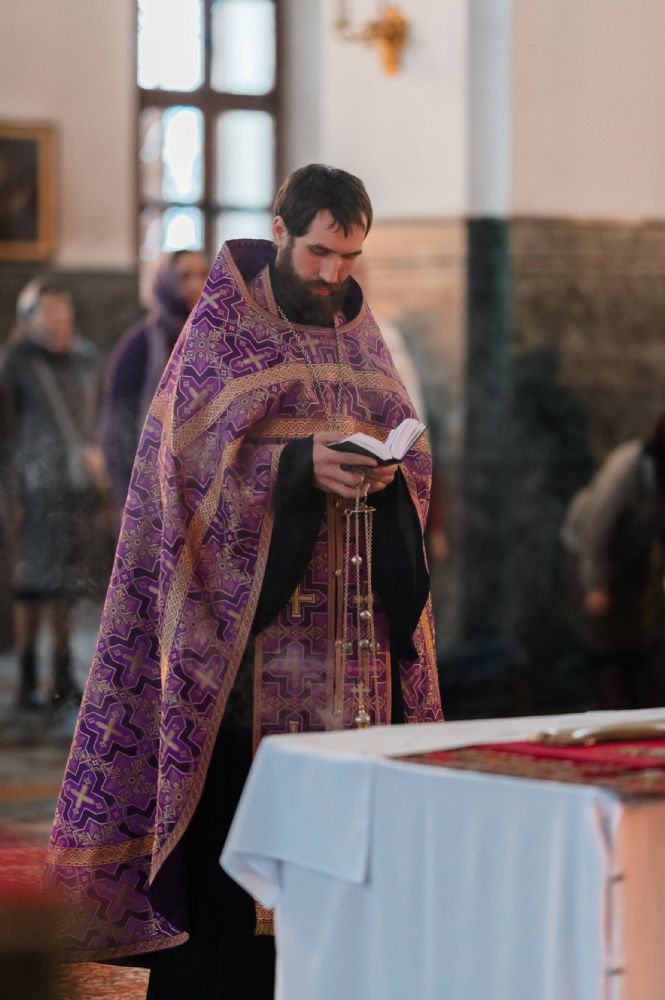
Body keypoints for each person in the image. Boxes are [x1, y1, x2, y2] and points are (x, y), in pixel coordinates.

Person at [44, 165, 443, 997]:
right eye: (320, 252)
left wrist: (385, 473)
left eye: (350, 257)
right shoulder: (223, 331)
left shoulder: (359, 330)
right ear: (282, 230)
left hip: (351, 650)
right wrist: (296, 470)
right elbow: (182, 474)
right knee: (236, 852)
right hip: (241, 656)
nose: (334, 274)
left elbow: (410, 448)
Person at [0, 277, 107, 710]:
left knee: (68, 582)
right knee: (30, 582)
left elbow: (97, 416)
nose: (58, 319)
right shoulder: (15, 364)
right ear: (28, 319)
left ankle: (62, 675)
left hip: (76, 486)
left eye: (63, 310)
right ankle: (28, 677)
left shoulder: (86, 359)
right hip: (30, 488)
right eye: (48, 311)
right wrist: (10, 493)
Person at [561, 414, 665, 709]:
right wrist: (595, 585)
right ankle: (613, 710)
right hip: (591, 554)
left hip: (634, 556)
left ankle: (641, 710)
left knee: (636, 641)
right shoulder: (626, 470)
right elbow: (596, 530)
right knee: (604, 644)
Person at [99, 250, 208, 513]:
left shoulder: (217, 341)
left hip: (203, 487)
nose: (197, 283)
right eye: (185, 276)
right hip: (148, 488)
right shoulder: (140, 345)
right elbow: (118, 422)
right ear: (167, 282)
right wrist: (127, 493)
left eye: (203, 274)